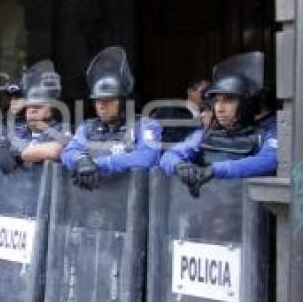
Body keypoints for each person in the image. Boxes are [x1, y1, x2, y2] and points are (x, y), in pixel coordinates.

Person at [160, 52, 277, 197]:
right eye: (217, 101)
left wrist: (215, 170)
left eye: (228, 100)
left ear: (246, 104)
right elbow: (170, 155)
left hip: (246, 213)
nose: (219, 108)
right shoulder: (206, 134)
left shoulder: (264, 134)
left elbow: (269, 161)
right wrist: (179, 166)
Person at [61, 46, 161, 189]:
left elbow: (146, 158)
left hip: (133, 203)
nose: (101, 105)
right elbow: (68, 152)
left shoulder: (145, 126)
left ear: (122, 102)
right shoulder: (88, 128)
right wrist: (81, 160)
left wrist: (98, 164)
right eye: (97, 100)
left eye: (108, 100)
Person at [0, 60, 70, 173]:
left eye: (37, 107)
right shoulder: (18, 131)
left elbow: (55, 150)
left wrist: (19, 155)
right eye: (29, 106)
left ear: (50, 110)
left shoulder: (62, 130)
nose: (31, 111)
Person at [151, 78, 210, 144]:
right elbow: (169, 139)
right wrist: (202, 127)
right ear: (190, 91)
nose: (207, 96)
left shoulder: (214, 115)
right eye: (204, 92)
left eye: (210, 93)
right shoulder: (172, 109)